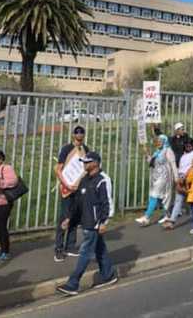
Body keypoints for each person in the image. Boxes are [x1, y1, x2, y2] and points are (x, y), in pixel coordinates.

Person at [56, 151, 117, 296]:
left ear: (95, 163)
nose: (84, 164)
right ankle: (108, 275)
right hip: (86, 222)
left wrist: (103, 222)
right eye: (84, 162)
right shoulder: (84, 179)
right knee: (100, 248)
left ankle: (73, 284)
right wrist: (69, 219)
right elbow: (78, 203)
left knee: (85, 253)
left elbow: (107, 203)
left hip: (95, 224)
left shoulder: (103, 180)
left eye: (87, 162)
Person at [53, 126, 89, 262]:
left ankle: (70, 246)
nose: (79, 135)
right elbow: (58, 169)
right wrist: (66, 184)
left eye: (82, 132)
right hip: (67, 189)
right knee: (64, 218)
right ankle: (58, 248)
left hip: (79, 189)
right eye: (77, 132)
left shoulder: (86, 149)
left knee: (75, 217)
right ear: (73, 134)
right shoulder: (66, 149)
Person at [136, 134, 177, 226]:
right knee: (159, 196)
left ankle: (146, 217)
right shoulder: (157, 152)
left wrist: (176, 178)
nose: (158, 142)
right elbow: (152, 163)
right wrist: (146, 153)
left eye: (160, 141)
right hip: (156, 177)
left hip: (164, 177)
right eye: (158, 141)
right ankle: (167, 214)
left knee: (154, 195)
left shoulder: (168, 151)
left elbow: (173, 164)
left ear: (165, 141)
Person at [162, 139, 193, 229]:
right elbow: (181, 168)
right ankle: (172, 221)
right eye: (186, 145)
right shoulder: (184, 155)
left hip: (191, 181)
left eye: (190, 145)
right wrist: (179, 178)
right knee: (178, 200)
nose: (188, 146)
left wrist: (186, 175)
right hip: (182, 179)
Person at [0, 149, 18, 263]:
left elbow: (13, 181)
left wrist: (0, 183)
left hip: (2, 204)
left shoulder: (6, 168)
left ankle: (5, 253)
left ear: (0, 160)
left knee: (1, 227)